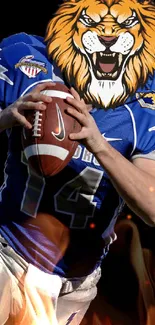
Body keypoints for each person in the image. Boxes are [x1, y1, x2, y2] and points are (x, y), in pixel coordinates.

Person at [0, 0, 155, 324]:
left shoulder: (145, 105)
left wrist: (100, 146)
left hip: (77, 282)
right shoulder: (25, 58)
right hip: (10, 255)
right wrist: (4, 118)